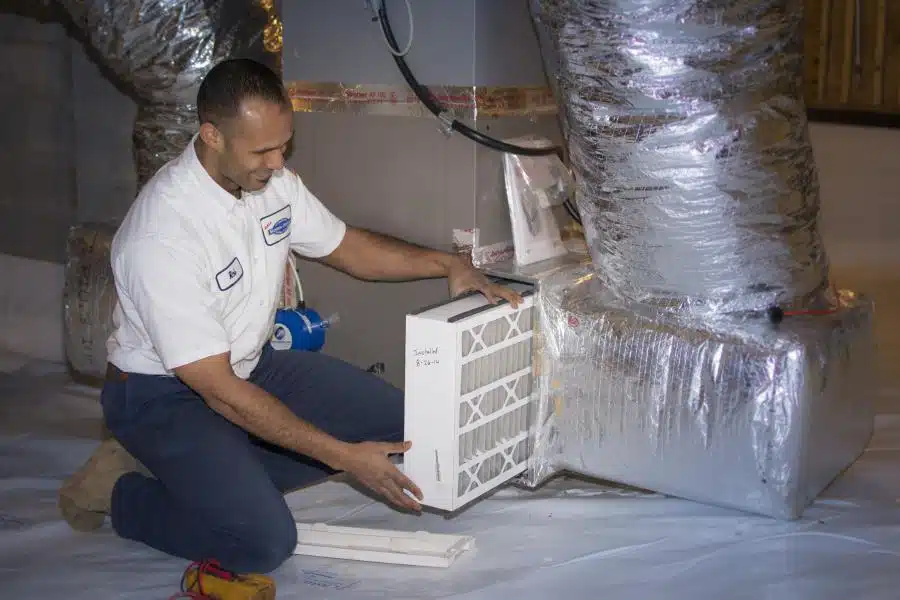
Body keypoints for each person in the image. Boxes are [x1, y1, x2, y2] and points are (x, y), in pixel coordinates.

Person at [57, 57, 521, 574]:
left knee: (409, 427)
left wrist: (448, 264)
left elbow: (348, 248)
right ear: (211, 135)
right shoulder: (163, 235)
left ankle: (212, 472)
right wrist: (342, 457)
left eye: (284, 145)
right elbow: (217, 390)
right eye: (262, 150)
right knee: (261, 541)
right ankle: (122, 491)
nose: (278, 162)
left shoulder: (270, 185)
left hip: (250, 364)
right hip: (163, 394)